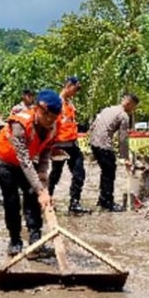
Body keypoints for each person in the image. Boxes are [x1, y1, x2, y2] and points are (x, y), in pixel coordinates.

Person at [0, 89, 60, 256]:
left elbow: (45, 153)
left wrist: (43, 174)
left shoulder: (52, 127)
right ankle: (15, 240)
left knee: (32, 196)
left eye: (54, 117)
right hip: (5, 161)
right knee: (12, 200)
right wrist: (41, 190)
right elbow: (24, 161)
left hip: (27, 162)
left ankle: (36, 240)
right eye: (47, 116)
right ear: (37, 109)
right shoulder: (20, 125)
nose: (50, 120)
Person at [89, 93, 140, 212]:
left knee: (105, 171)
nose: (133, 110)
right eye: (133, 107)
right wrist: (126, 158)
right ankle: (107, 202)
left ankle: (102, 199)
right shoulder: (123, 115)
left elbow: (93, 126)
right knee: (109, 173)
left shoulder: (107, 109)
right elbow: (123, 138)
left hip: (94, 143)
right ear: (129, 103)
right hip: (103, 145)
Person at [48, 76, 87, 214]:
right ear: (69, 86)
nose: (75, 92)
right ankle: (46, 200)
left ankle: (74, 203)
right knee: (55, 174)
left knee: (79, 173)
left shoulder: (69, 104)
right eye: (75, 89)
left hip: (72, 144)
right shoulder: (56, 103)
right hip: (59, 145)